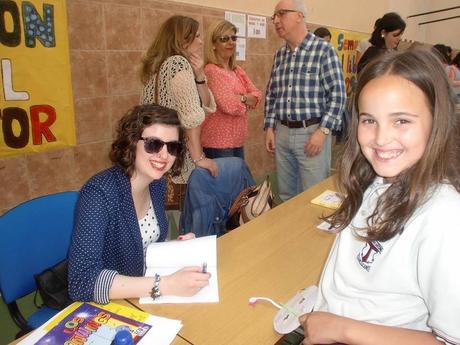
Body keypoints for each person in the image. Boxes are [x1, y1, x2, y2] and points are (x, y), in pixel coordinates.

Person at [300, 49, 460, 344]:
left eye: (401, 121)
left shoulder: (445, 216)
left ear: (437, 120)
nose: (381, 138)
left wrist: (340, 328)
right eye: (369, 120)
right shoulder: (378, 179)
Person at [68, 104, 211, 304]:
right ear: (132, 142)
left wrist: (174, 250)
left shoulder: (157, 184)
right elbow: (81, 282)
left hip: (141, 295)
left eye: (172, 147)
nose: (164, 155)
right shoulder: (99, 194)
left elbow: (145, 245)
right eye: (153, 144)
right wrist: (165, 285)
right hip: (110, 303)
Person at [264, 0, 346, 201]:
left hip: (311, 134)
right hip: (282, 134)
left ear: (299, 16)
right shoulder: (280, 55)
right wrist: (269, 128)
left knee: (313, 196)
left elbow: (338, 94)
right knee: (286, 196)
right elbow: (272, 93)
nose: (275, 20)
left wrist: (323, 131)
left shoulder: (323, 51)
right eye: (274, 16)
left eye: (281, 14)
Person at [141, 15, 218, 184]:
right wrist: (199, 159)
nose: (201, 41)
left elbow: (206, 104)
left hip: (155, 155)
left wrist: (199, 75)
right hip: (178, 161)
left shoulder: (156, 67)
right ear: (182, 40)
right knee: (186, 208)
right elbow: (192, 121)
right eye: (197, 36)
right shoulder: (178, 63)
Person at [202, 19, 262, 160]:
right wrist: (246, 99)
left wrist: (241, 98)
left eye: (233, 38)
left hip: (237, 141)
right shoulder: (211, 71)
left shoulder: (237, 70)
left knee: (236, 182)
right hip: (217, 144)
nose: (231, 42)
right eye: (224, 39)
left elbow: (257, 95)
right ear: (213, 45)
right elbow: (229, 106)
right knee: (226, 182)